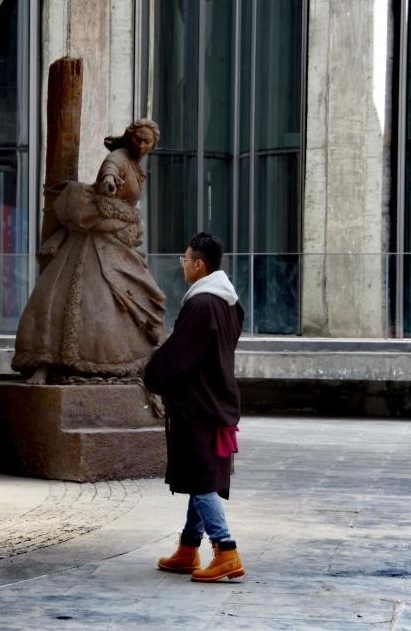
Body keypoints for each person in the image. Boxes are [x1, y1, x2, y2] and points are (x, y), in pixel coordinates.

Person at [12, 120, 165, 385]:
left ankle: (119, 361)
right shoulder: (118, 157)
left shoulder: (136, 166)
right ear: (130, 138)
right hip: (94, 238)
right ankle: (46, 361)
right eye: (138, 138)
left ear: (153, 145)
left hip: (118, 241)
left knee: (133, 296)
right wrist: (108, 181)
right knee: (66, 296)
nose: (141, 144)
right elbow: (109, 170)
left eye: (147, 141)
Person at [144, 232, 246, 582]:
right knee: (200, 474)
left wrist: (152, 373)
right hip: (217, 398)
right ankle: (189, 548)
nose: (183, 265)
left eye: (185, 260)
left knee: (201, 480)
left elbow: (181, 354)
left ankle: (226, 549)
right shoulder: (229, 302)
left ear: (200, 265)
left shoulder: (202, 304)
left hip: (198, 405)